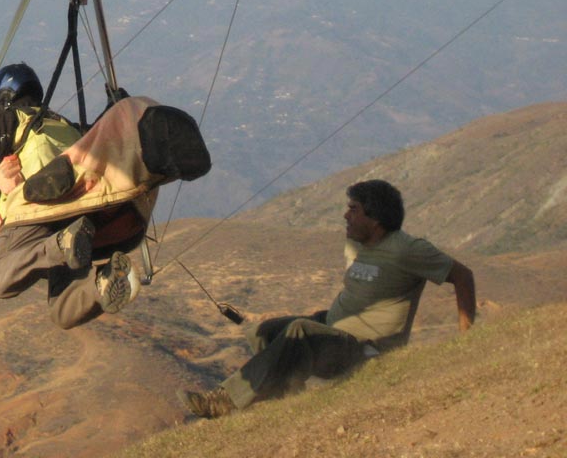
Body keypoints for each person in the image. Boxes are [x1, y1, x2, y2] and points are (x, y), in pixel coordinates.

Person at [178, 179, 477, 419]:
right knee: (266, 331)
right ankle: (279, 400)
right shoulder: (358, 243)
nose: (346, 216)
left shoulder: (408, 249)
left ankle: (223, 401)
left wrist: (467, 338)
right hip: (335, 329)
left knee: (299, 332)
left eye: (354, 209)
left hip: (366, 350)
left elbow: (462, 276)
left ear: (375, 219)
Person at [0, 62, 147, 329]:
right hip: (78, 212)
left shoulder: (12, 119)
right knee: (63, 312)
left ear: (6, 99)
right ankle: (103, 284)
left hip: (38, 209)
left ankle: (61, 245)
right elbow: (97, 133)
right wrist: (115, 106)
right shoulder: (63, 125)